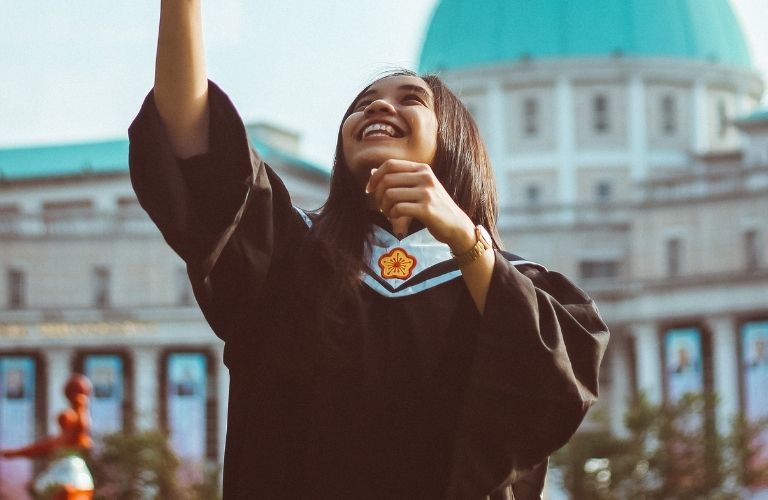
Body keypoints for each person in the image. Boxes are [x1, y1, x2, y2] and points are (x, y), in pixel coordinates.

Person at [128, 2, 609, 498]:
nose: (378, 107)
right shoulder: (285, 252)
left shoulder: (508, 284)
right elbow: (193, 136)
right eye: (363, 102)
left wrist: (466, 240)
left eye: (410, 99)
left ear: (455, 144)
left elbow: (553, 387)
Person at [0, 374, 95, 500]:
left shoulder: (76, 436)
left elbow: (81, 427)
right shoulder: (57, 441)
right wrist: (10, 453)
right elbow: (34, 449)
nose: (64, 418)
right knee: (38, 488)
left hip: (74, 477)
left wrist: (80, 404)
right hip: (60, 478)